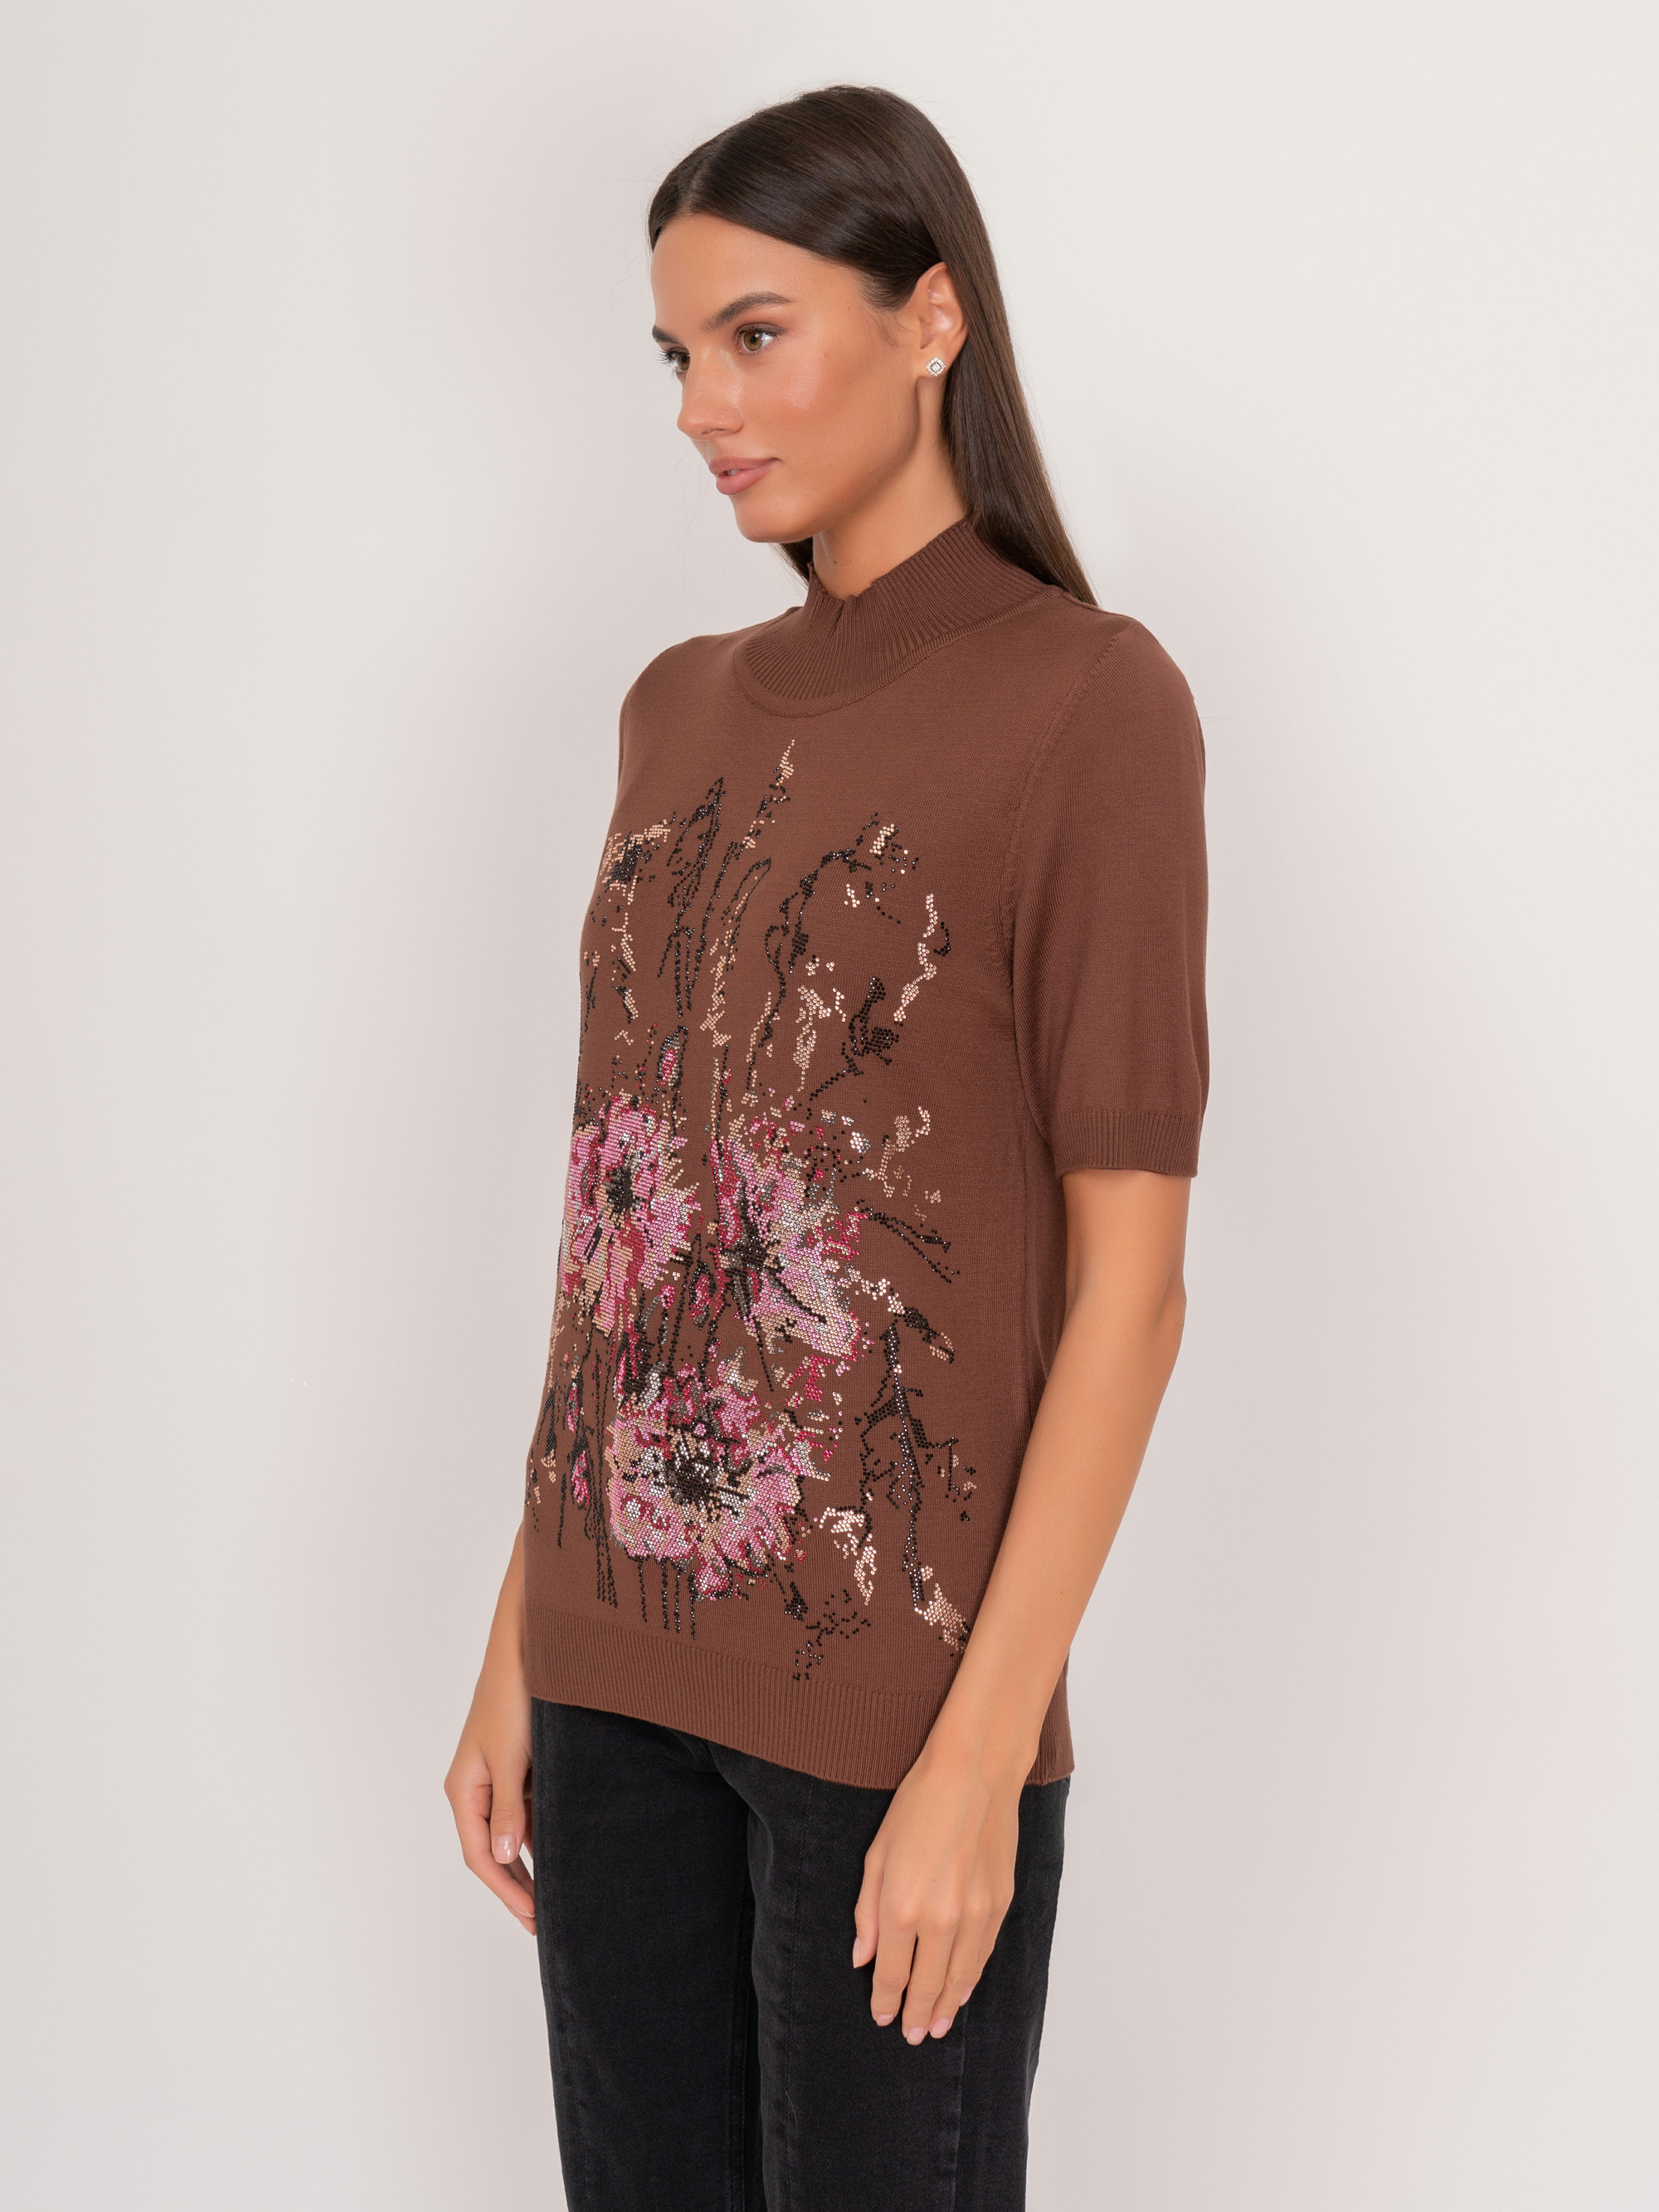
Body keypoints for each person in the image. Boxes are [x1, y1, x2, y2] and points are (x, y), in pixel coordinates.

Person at [445, 83, 1209, 2212]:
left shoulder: (1088, 703)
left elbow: (1130, 1292)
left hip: (888, 1716)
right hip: (609, 1672)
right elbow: (631, 1211)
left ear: (931, 318)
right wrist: (519, 1634)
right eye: (677, 353)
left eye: (756, 335)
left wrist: (978, 1754)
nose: (703, 405)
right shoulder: (673, 705)